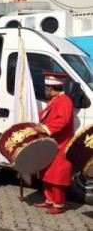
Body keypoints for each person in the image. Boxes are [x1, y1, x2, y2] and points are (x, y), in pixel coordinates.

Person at [33, 72, 74, 215]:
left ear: (51, 88)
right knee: (47, 172)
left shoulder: (64, 101)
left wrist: (45, 128)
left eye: (46, 87)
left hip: (60, 144)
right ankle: (49, 200)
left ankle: (59, 205)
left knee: (57, 175)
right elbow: (44, 116)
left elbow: (63, 121)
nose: (45, 90)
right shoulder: (55, 100)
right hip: (51, 143)